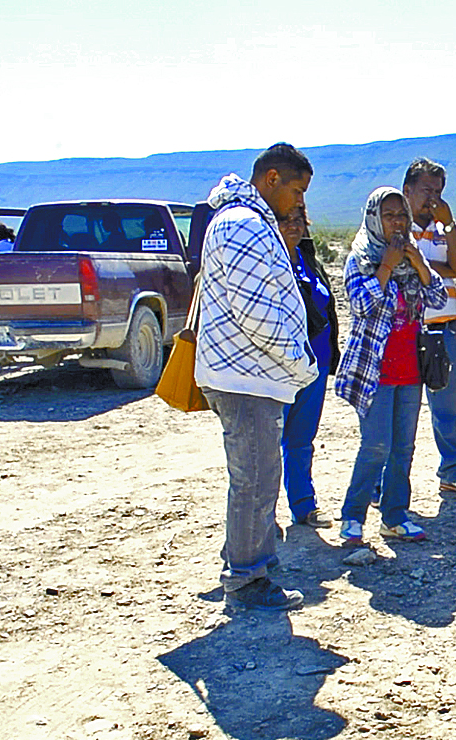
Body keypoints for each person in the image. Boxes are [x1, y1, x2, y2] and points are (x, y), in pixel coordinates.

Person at [195, 143, 316, 610]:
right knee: (256, 477)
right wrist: (299, 362)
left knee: (259, 473)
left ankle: (250, 558)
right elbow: (256, 312)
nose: (299, 202)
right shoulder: (243, 226)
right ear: (271, 180)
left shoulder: (246, 222)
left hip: (251, 373)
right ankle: (246, 579)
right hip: (245, 375)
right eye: (296, 189)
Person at [334, 187, 449, 546]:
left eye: (402, 215)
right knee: (375, 445)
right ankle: (353, 517)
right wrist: (386, 266)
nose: (398, 222)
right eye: (389, 215)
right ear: (374, 219)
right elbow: (363, 303)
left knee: (404, 447)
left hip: (411, 368)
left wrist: (417, 263)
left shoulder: (413, 259)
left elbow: (439, 297)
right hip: (374, 369)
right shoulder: (360, 259)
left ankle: (395, 516)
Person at [402, 158, 456, 497]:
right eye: (425, 190)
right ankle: (387, 482)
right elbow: (393, 266)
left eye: (438, 191)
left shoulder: (446, 227)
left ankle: (452, 470)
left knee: (447, 408)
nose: (432, 198)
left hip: (444, 328)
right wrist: (438, 267)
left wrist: (445, 231)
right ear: (407, 191)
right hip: (404, 330)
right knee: (400, 410)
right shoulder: (392, 224)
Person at [278, 205, 341, 529]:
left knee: (301, 438)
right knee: (269, 441)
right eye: (285, 219)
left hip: (315, 364)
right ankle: (261, 515)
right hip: (280, 366)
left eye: (298, 219)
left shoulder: (308, 260)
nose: (293, 225)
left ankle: (303, 505)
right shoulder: (270, 262)